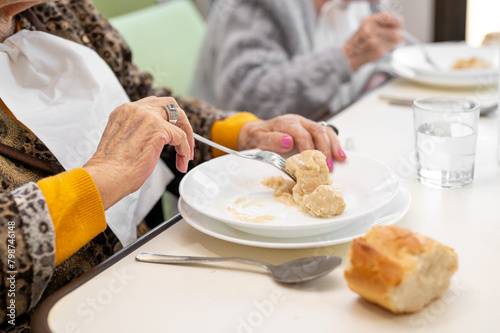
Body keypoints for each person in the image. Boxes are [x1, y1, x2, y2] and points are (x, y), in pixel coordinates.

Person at [0, 0, 346, 330]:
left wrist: (242, 135)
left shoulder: (58, 8)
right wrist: (103, 178)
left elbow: (136, 94)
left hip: (153, 261)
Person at [190, 0, 404, 120]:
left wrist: (375, 81)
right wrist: (349, 56)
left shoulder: (363, 4)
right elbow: (247, 100)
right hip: (238, 164)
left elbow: (388, 56)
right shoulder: (260, 5)